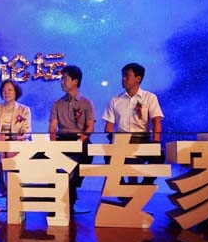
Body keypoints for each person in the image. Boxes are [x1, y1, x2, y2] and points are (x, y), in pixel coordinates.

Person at [101, 62, 165, 186]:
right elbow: (108, 127)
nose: (123, 79)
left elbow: (156, 121)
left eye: (127, 76)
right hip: (121, 142)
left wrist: (156, 142)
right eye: (122, 76)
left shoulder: (149, 98)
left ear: (138, 79)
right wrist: (112, 139)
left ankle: (144, 186)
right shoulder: (115, 100)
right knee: (108, 155)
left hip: (142, 140)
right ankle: (122, 189)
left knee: (159, 156)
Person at [48, 65, 96, 214]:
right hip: (62, 139)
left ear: (75, 81)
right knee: (51, 161)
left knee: (86, 155)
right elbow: (52, 127)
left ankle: (71, 195)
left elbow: (90, 127)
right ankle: (59, 200)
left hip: (80, 139)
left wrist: (79, 141)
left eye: (65, 79)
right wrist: (53, 144)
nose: (62, 82)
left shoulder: (86, 102)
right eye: (61, 79)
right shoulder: (57, 103)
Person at [0, 79, 32, 198]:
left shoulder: (24, 109)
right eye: (3, 90)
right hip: (0, 143)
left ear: (16, 92)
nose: (6, 93)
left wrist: (17, 137)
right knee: (0, 153)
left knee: (9, 153)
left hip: (17, 143)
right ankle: (2, 184)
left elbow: (27, 131)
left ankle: (11, 187)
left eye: (10, 90)